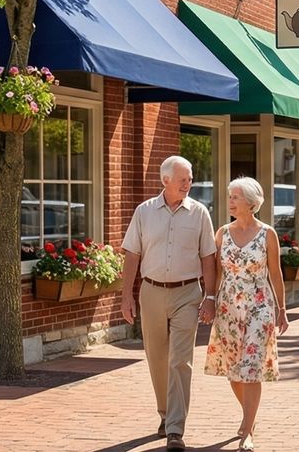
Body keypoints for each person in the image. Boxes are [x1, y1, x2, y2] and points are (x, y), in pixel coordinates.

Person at [121, 156, 217, 452]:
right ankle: (164, 413)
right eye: (183, 179)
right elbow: (132, 255)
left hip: (188, 293)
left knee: (179, 360)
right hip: (150, 292)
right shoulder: (144, 212)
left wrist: (210, 296)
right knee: (157, 359)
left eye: (190, 178)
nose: (188, 184)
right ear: (165, 181)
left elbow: (208, 258)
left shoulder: (199, 213)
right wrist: (126, 295)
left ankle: (175, 428)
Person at [204, 177, 289, 451]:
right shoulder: (222, 233)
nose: (230, 201)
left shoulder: (268, 234)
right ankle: (248, 415)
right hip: (228, 307)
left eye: (235, 197)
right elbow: (217, 274)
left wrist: (282, 310)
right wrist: (211, 301)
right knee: (233, 371)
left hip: (259, 307)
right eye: (229, 196)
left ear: (251, 203)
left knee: (252, 368)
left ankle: (248, 431)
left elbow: (275, 274)